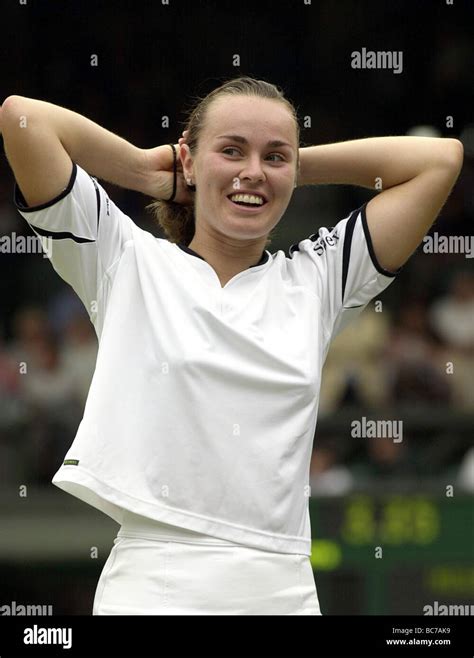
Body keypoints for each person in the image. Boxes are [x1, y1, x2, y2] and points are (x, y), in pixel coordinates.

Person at [0, 76, 463, 615]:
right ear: (189, 161)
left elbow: (440, 160)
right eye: (231, 150)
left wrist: (289, 170)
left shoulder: (318, 280)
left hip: (283, 586)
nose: (252, 170)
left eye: (274, 156)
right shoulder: (124, 259)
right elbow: (23, 118)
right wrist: (145, 170)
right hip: (153, 584)